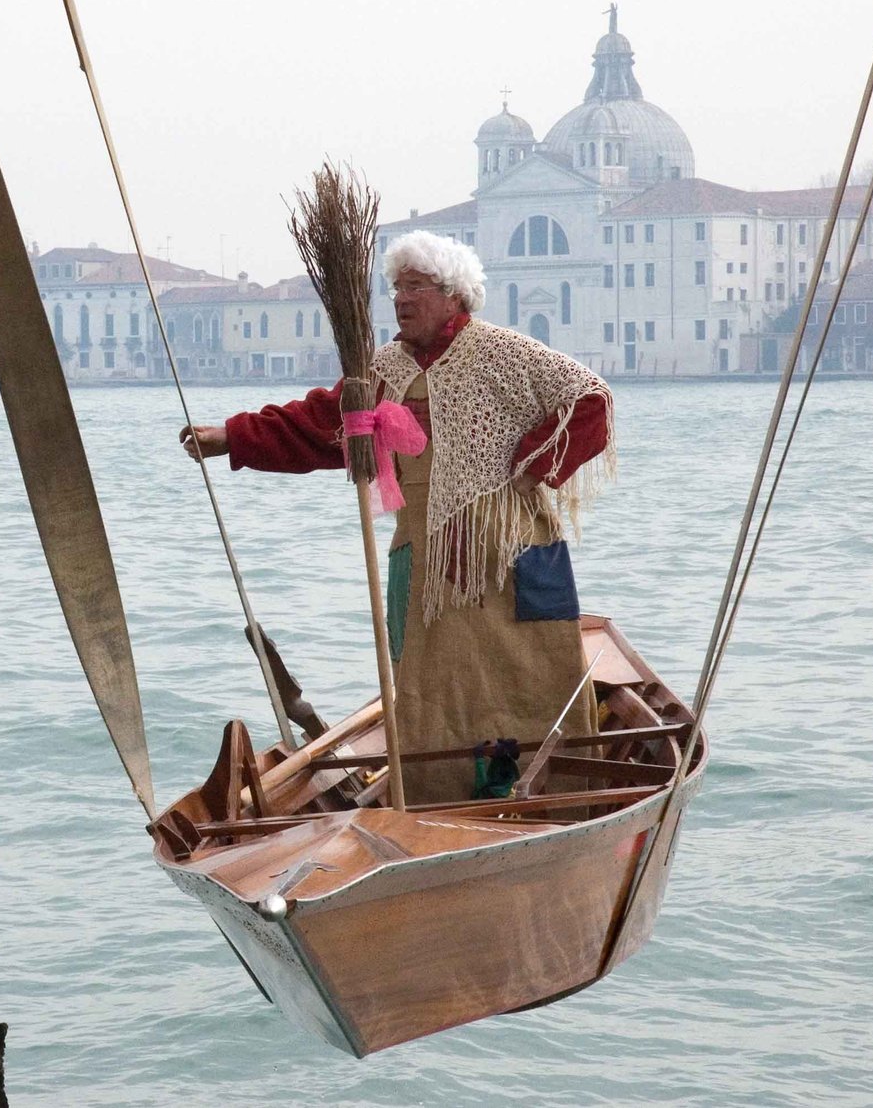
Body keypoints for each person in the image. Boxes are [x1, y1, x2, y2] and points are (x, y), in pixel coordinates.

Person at [182, 231, 613, 804]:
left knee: (530, 671)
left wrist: (529, 468)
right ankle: (437, 801)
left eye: (416, 286)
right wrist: (230, 436)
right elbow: (317, 425)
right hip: (423, 554)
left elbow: (592, 400)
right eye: (395, 287)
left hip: (508, 550)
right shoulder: (383, 369)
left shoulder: (505, 352)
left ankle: (561, 792)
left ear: (453, 293)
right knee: (430, 688)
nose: (401, 299)